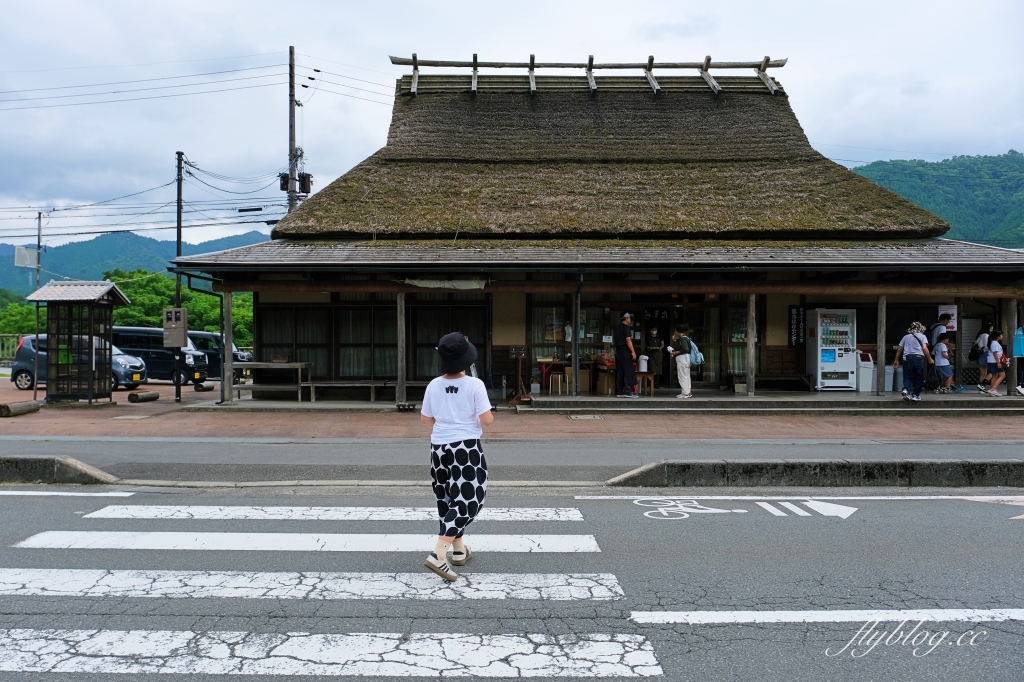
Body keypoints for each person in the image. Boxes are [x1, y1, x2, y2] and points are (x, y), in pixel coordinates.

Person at [419, 332, 494, 582]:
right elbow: (487, 420)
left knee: (447, 498)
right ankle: (439, 554)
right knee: (470, 499)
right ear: (466, 359)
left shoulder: (433, 385)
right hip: (465, 448)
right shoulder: (475, 385)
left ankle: (459, 551)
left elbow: (426, 420)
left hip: (438, 446)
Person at [892, 322, 933, 402]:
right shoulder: (922, 336)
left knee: (907, 376)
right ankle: (915, 395)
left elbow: (900, 349)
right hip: (918, 357)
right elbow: (924, 348)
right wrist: (929, 359)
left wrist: (896, 360)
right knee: (918, 377)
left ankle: (906, 390)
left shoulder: (906, 337)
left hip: (907, 357)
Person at [613, 312, 638, 398]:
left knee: (620, 371)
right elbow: (628, 340)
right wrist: (633, 351)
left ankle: (620, 391)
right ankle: (628, 390)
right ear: (626, 318)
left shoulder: (617, 328)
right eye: (629, 318)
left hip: (618, 350)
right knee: (628, 370)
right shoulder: (626, 328)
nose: (630, 319)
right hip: (625, 351)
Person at [670, 324, 693, 399]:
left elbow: (685, 349)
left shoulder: (683, 339)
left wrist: (676, 352)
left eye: (675, 331)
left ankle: (685, 393)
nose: (675, 332)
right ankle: (687, 392)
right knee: (686, 376)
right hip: (686, 359)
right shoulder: (685, 338)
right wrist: (675, 341)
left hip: (682, 359)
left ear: (677, 331)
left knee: (682, 376)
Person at [985, 329, 1007, 397]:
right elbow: (995, 353)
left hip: (991, 361)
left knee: (994, 375)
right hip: (994, 361)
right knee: (1002, 375)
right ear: (998, 336)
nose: (1002, 336)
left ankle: (993, 390)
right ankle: (993, 389)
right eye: (1001, 335)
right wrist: (998, 362)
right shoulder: (995, 343)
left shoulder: (993, 343)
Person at [974, 321, 993, 391]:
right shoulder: (987, 336)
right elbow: (988, 346)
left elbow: (975, 344)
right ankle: (982, 384)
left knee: (982, 373)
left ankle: (981, 388)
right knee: (992, 371)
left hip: (979, 355)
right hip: (986, 354)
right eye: (991, 329)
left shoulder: (979, 335)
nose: (992, 330)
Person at [1013, 324, 1024, 396]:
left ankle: (1021, 386)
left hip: (1018, 353)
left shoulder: (1019, 329)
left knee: (1023, 369)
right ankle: (1022, 387)